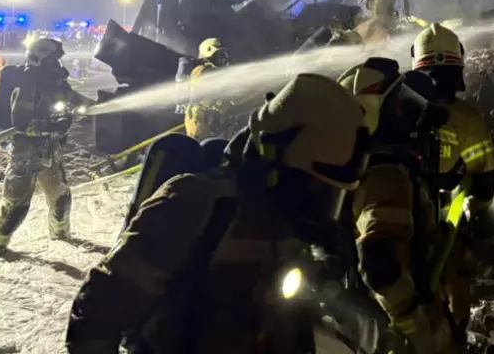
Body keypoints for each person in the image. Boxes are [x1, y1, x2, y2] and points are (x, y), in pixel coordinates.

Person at [65, 72, 371, 354]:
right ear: (274, 161)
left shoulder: (289, 225)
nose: (319, 205)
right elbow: (98, 309)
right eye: (315, 189)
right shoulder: (197, 203)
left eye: (333, 195)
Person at [338, 58, 457, 354]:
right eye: (402, 107)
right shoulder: (385, 175)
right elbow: (379, 263)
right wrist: (422, 330)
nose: (413, 115)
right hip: (399, 336)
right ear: (372, 115)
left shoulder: (368, 168)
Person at [411, 23, 494, 340]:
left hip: (391, 218)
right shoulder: (466, 118)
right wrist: (478, 209)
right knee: (454, 287)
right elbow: (486, 174)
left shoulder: (395, 110)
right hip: (444, 223)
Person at [0, 37, 91, 256]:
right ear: (40, 59)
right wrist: (48, 125)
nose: (57, 64)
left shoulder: (55, 81)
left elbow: (73, 98)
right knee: (17, 203)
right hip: (26, 151)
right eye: (53, 59)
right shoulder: (27, 83)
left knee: (61, 195)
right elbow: (21, 123)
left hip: (50, 149)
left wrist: (95, 105)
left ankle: (60, 234)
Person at [184, 37, 231, 139]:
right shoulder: (200, 71)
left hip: (209, 123)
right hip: (200, 125)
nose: (223, 58)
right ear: (210, 54)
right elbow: (198, 97)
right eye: (220, 54)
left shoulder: (213, 72)